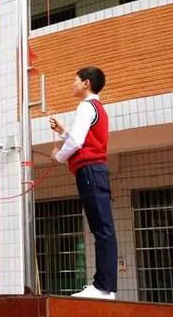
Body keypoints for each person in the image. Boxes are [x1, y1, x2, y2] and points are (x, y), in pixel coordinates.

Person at [49, 66, 117, 300]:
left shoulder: (86, 106)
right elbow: (81, 138)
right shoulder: (96, 108)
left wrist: (59, 156)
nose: (72, 83)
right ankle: (104, 287)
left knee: (102, 229)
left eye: (74, 79)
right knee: (102, 228)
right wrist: (62, 131)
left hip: (90, 171)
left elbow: (77, 142)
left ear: (86, 83)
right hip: (94, 171)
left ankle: (104, 288)